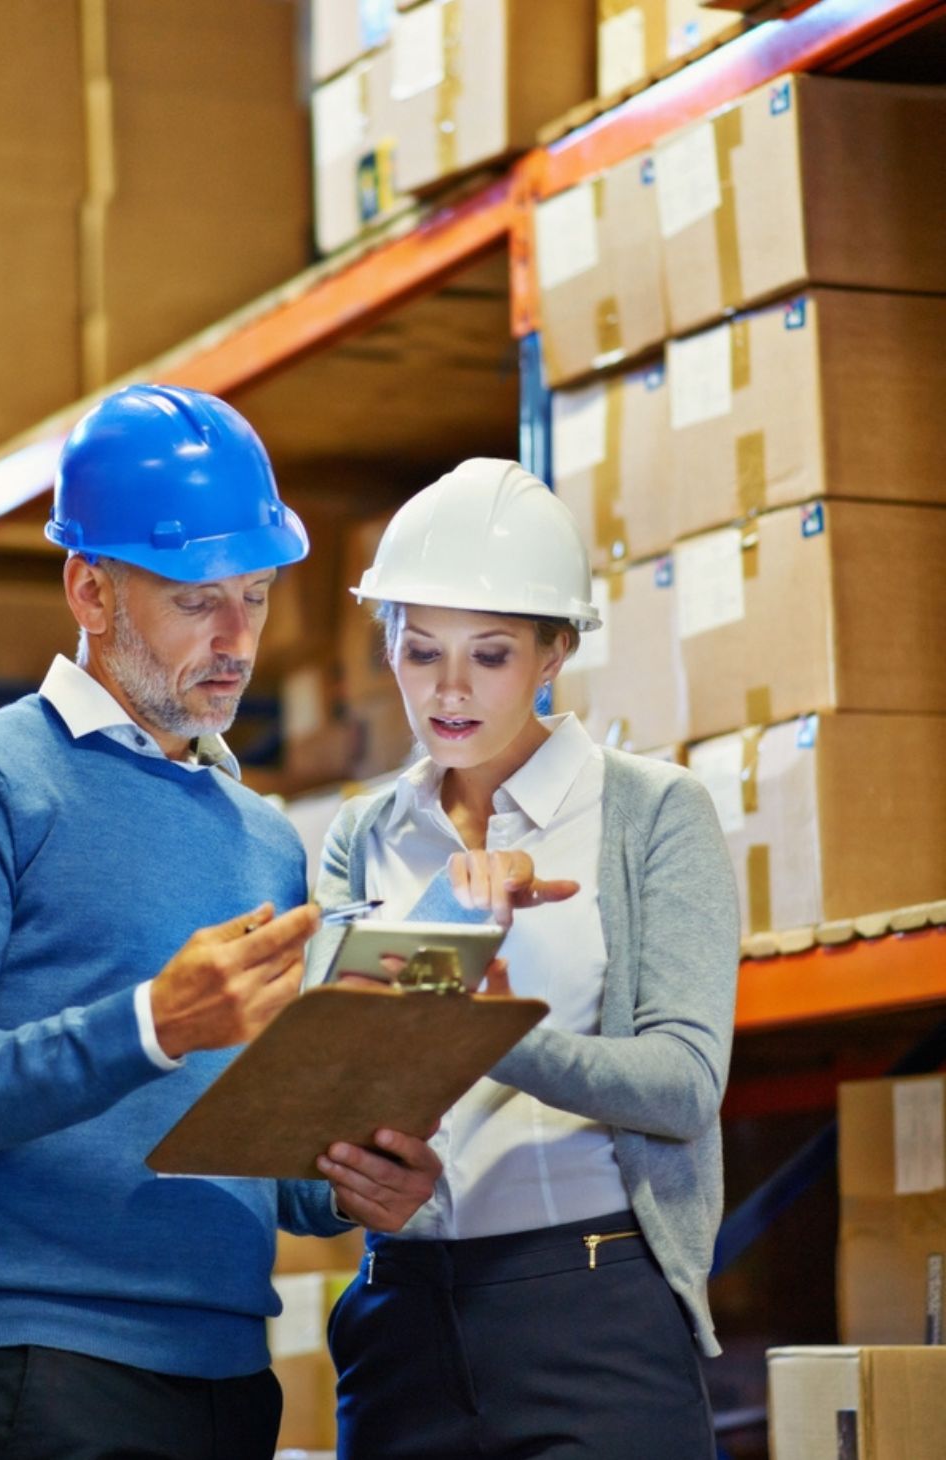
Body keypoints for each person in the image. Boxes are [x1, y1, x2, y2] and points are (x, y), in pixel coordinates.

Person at [0, 384, 442, 1460]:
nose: (235, 638)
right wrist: (149, 1024)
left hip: (227, 1381)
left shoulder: (259, 835)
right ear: (90, 587)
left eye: (255, 596)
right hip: (42, 1376)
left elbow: (244, 1156)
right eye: (194, 599)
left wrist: (346, 1175)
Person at [307, 458, 741, 1460]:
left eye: (489, 654)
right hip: (397, 1321)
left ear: (552, 652)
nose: (447, 689)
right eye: (419, 651)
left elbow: (681, 1086)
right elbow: (331, 1077)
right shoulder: (361, 833)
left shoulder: (648, 813)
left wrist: (498, 1032)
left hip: (592, 1313)